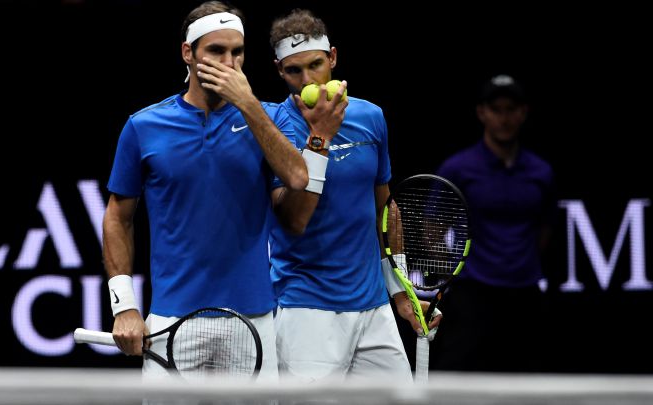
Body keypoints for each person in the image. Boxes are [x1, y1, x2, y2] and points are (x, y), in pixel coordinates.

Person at [101, 1, 337, 381]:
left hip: (254, 320)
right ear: (187, 53)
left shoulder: (269, 118)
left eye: (237, 52)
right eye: (216, 50)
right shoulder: (143, 126)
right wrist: (124, 306)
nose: (229, 62)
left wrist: (246, 104)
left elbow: (298, 178)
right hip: (172, 318)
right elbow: (117, 217)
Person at [267, 9, 440, 382]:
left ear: (333, 57)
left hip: (374, 307)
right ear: (280, 71)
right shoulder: (273, 128)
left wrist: (399, 291)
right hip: (307, 312)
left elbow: (385, 207)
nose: (307, 80)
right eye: (294, 71)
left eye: (315, 65)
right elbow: (294, 220)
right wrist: (320, 139)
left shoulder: (372, 117)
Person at [431, 74, 556, 372]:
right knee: (457, 380)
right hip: (473, 294)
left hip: (524, 295)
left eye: (511, 109)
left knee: (529, 382)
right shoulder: (458, 168)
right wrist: (452, 274)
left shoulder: (541, 172)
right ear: (482, 113)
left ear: (523, 113)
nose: (504, 118)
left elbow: (545, 230)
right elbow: (433, 229)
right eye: (496, 109)